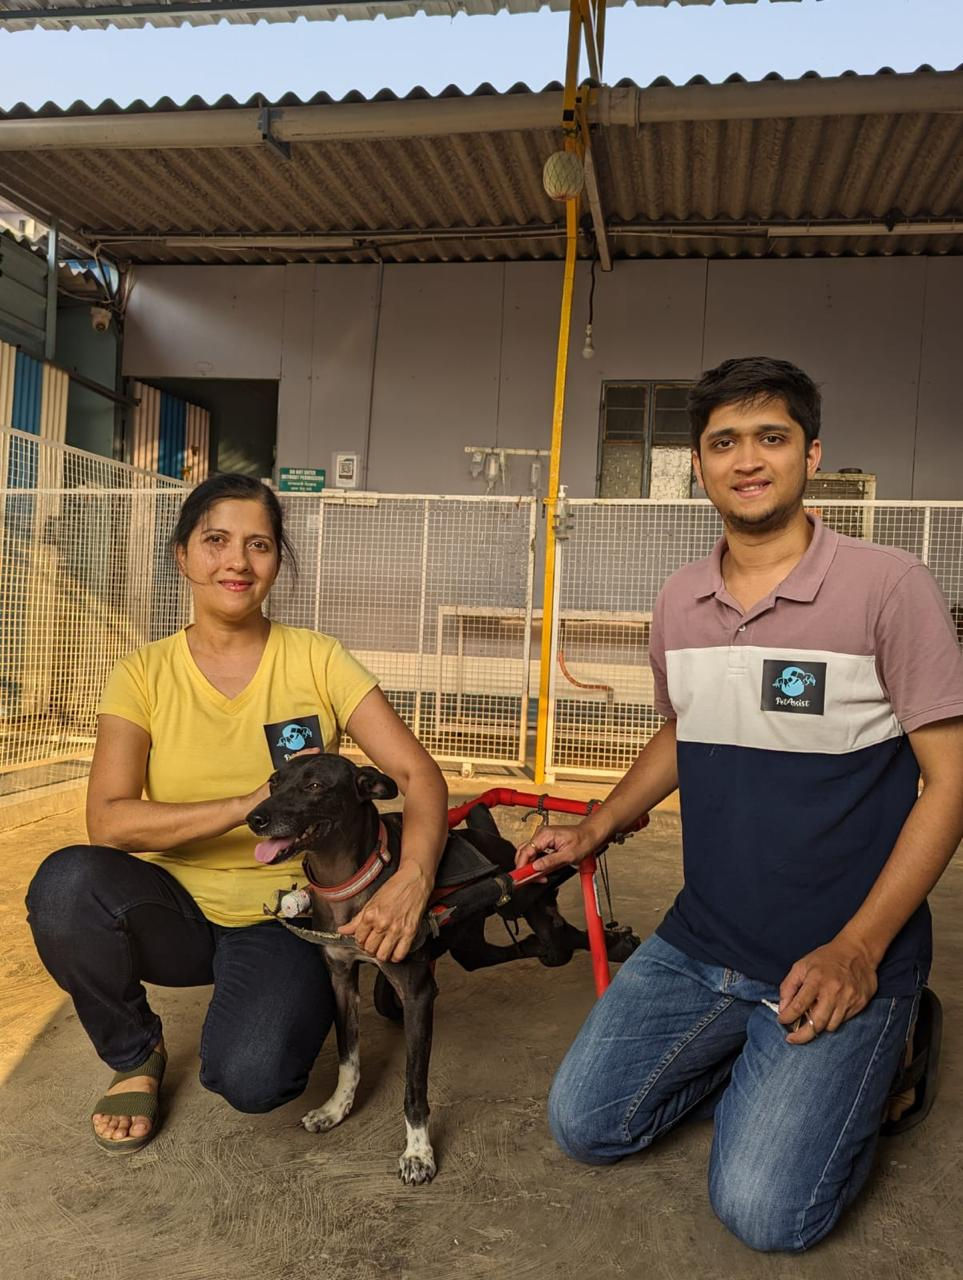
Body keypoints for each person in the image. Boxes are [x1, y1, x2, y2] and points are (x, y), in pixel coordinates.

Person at [517, 356, 963, 1252]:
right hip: (700, 942)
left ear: (811, 454)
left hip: (838, 947)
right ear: (698, 464)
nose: (747, 459)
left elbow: (950, 781)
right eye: (724, 441)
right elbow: (687, 729)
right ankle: (770, 1055)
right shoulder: (680, 599)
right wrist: (596, 824)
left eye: (771, 437)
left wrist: (858, 950)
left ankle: (896, 1030)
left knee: (768, 1214)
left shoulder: (887, 586)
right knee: (587, 1126)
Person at [26, 473, 448, 1154]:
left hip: (290, 919)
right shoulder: (143, 672)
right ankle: (135, 1055)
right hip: (175, 911)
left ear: (277, 562)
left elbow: (415, 775)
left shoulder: (317, 658)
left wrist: (413, 878)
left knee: (252, 1079)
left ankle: (274, 1002)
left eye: (259, 545)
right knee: (67, 885)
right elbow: (108, 821)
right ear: (182, 555)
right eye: (215, 540)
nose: (237, 562)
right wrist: (249, 804)